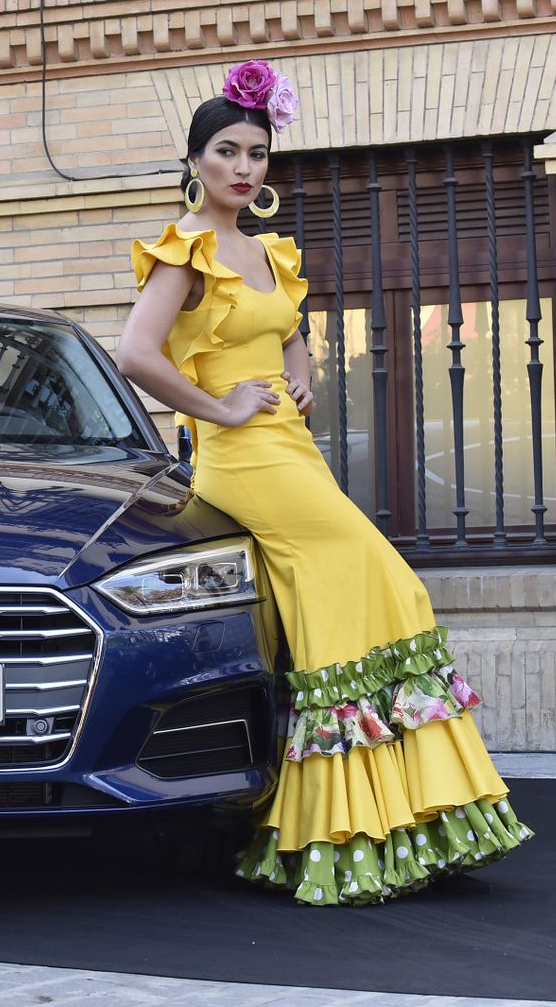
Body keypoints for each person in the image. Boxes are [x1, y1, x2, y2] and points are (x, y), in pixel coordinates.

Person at [116, 62, 531, 905]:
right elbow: (134, 356)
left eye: (258, 153)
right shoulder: (184, 251)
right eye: (227, 151)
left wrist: (299, 376)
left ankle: (377, 825)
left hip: (290, 449)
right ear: (194, 160)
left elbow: (288, 333)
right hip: (247, 461)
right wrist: (218, 409)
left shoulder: (267, 250)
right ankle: (360, 826)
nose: (244, 167)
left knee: (345, 603)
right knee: (381, 581)